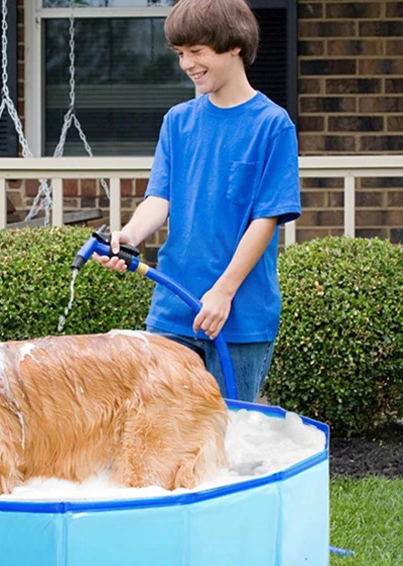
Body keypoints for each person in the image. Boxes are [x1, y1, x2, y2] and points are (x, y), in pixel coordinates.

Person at [95, 0, 301, 402]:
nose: (187, 64)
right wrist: (129, 235)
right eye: (180, 54)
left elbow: (266, 220)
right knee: (162, 432)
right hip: (173, 306)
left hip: (240, 314)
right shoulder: (178, 121)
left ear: (234, 46)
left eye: (197, 52)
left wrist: (223, 292)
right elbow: (160, 198)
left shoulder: (272, 125)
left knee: (230, 435)